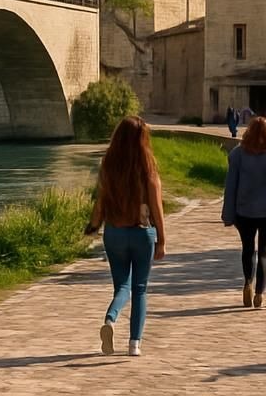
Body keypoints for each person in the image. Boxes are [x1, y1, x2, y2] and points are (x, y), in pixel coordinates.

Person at [86, 116, 167, 356]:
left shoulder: (108, 165)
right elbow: (156, 207)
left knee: (122, 286)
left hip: (114, 234)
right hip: (142, 234)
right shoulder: (148, 168)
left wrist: (93, 225)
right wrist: (162, 239)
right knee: (140, 288)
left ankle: (110, 320)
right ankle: (134, 344)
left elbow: (100, 202)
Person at [221, 115, 266, 309]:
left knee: (248, 248)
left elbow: (230, 185)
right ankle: (259, 293)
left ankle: (247, 282)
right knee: (265, 252)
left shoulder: (237, 154)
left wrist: (228, 212)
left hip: (244, 211)